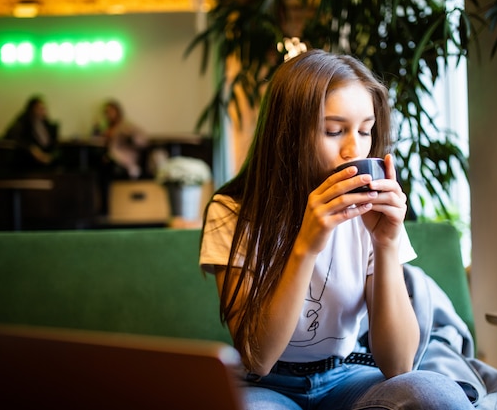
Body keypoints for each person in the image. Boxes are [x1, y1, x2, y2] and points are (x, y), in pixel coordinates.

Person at [199, 49, 475, 409]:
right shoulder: (233, 212)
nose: (354, 149)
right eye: (333, 130)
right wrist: (306, 245)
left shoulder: (370, 210)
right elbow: (257, 358)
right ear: (287, 134)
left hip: (348, 375)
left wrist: (387, 244)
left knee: (433, 395)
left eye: (365, 131)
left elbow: (399, 365)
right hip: (266, 385)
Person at [93, 99, 148, 179]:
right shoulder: (106, 129)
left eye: (111, 111)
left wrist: (129, 136)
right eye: (107, 112)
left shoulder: (126, 126)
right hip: (111, 157)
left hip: (126, 158)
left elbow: (142, 140)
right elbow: (96, 140)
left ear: (117, 112)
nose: (109, 114)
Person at [4, 95, 59, 167]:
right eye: (38, 108)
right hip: (27, 163)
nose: (42, 111)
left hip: (47, 163)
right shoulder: (23, 122)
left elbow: (53, 145)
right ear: (31, 109)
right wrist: (32, 149)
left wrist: (49, 156)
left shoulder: (48, 125)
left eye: (43, 108)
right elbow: (14, 138)